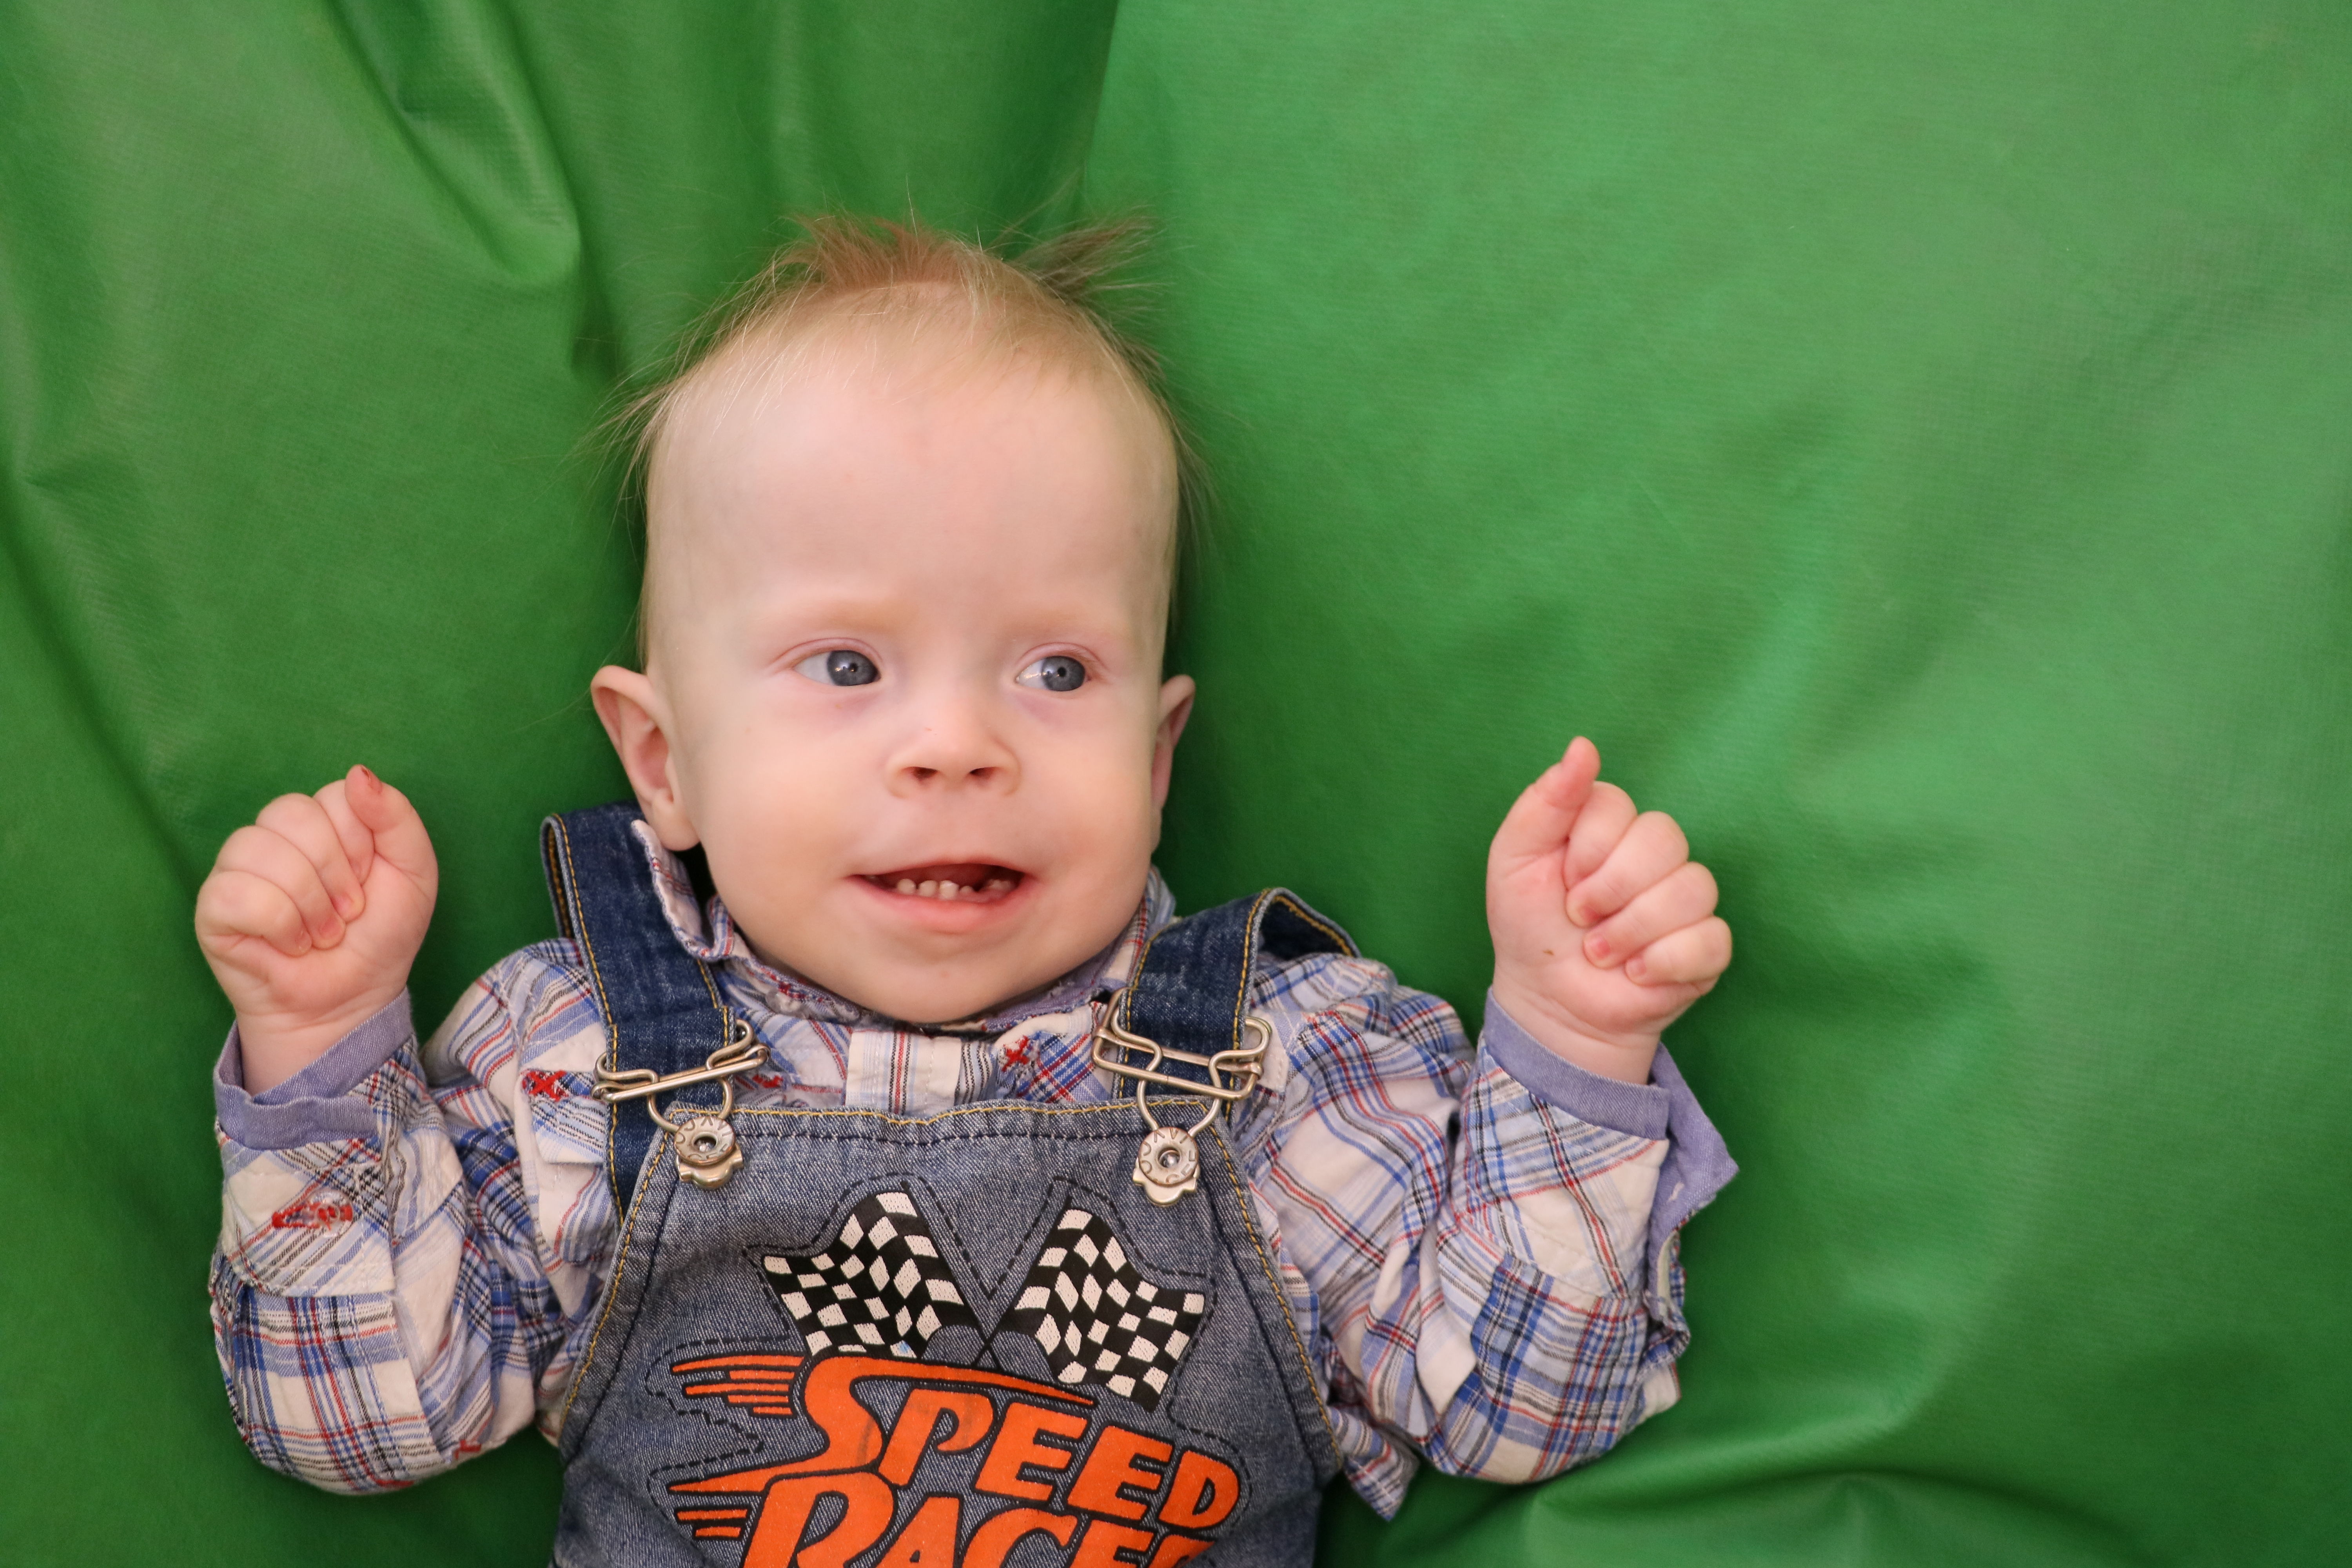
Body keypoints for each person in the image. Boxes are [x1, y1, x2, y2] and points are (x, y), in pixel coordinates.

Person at [198, 218, 1736, 1568]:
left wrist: (1571, 1039)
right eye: (847, 665)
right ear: (664, 762)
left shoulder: (1289, 1064)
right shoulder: (572, 1059)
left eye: (1056, 671)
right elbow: (362, 1421)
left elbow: (1510, 1409)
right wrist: (324, 1041)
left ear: (1156, 759)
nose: (955, 745)